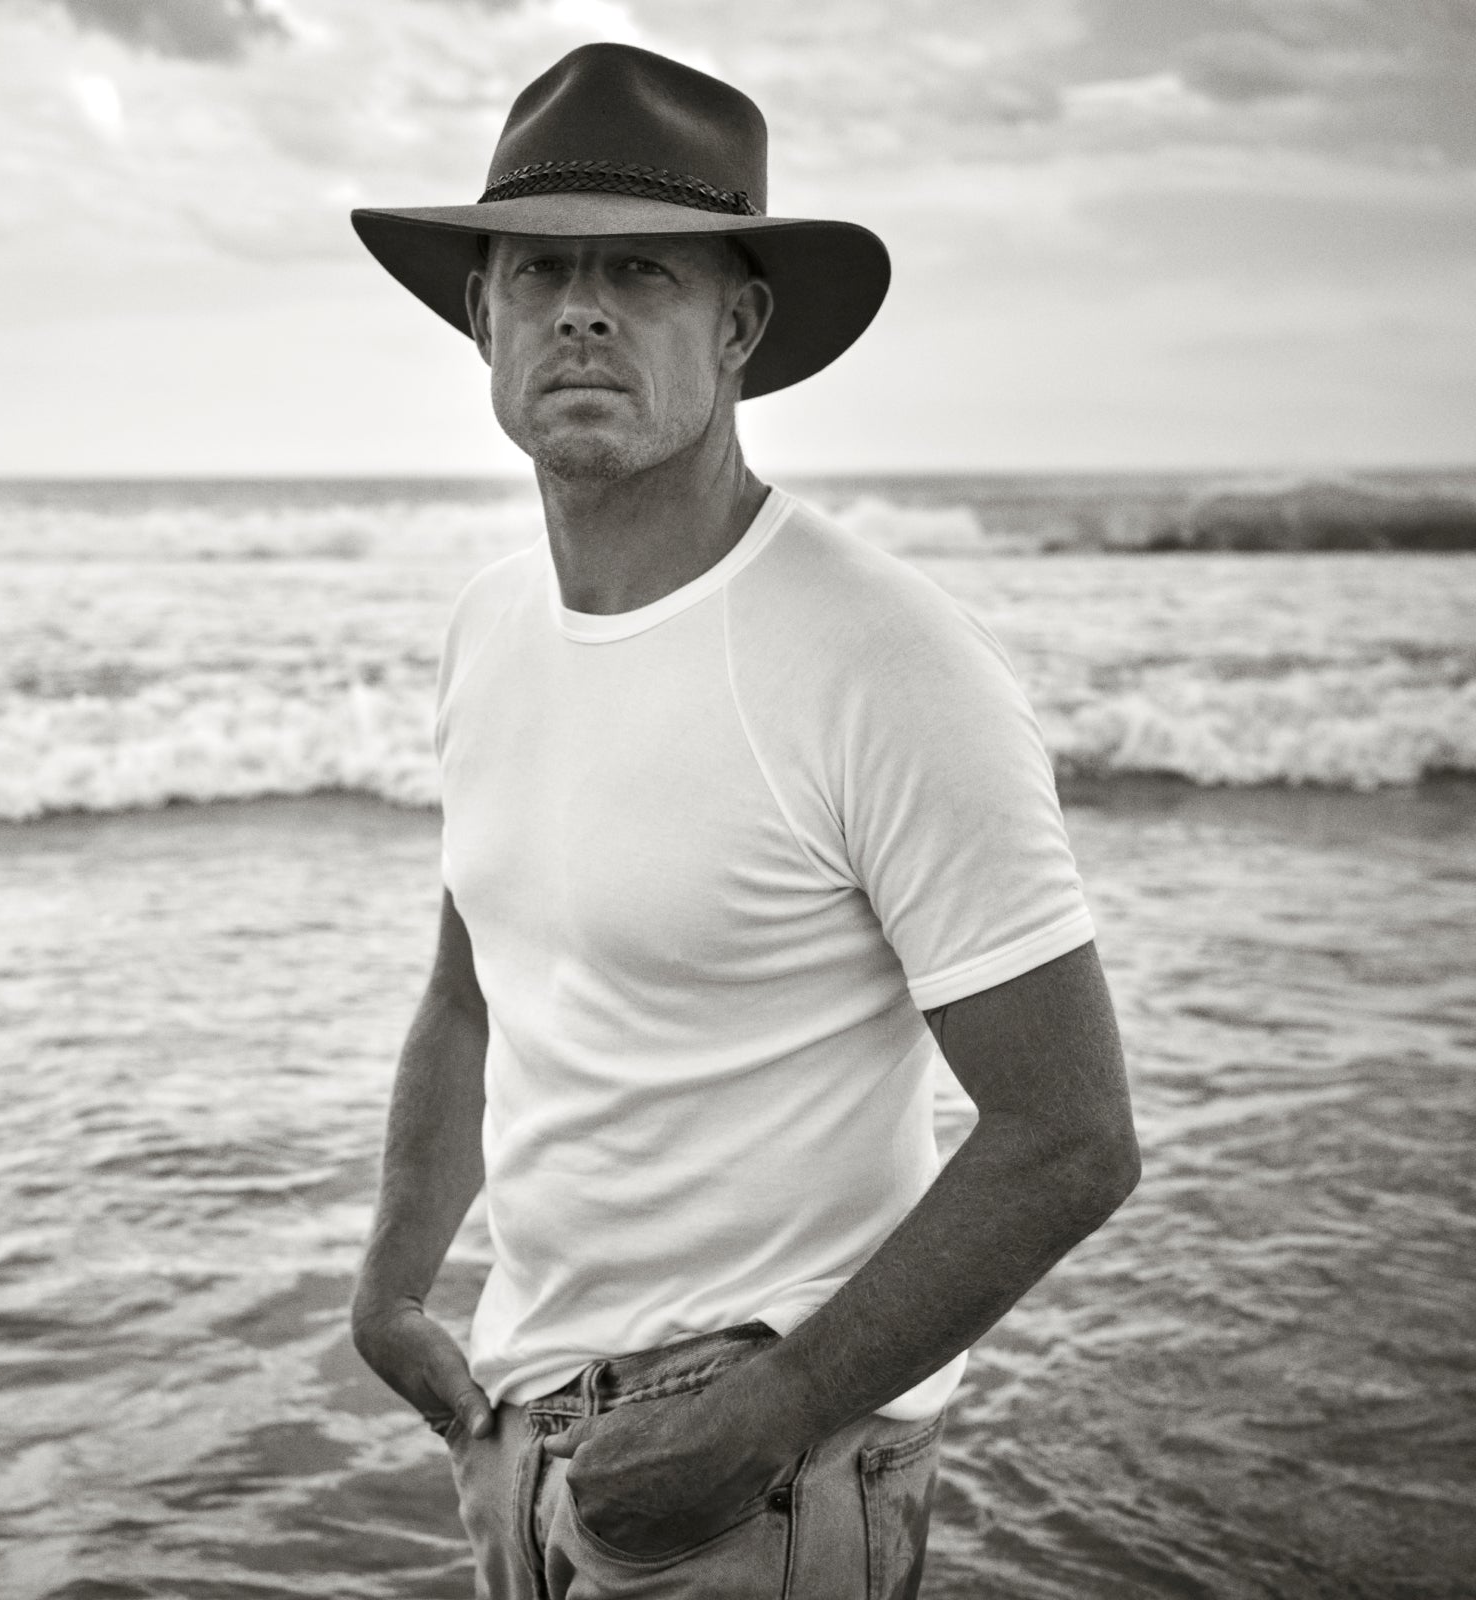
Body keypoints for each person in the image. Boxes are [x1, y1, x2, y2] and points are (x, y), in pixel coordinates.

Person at [347, 41, 1141, 1600]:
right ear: (479, 317)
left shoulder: (882, 657)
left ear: (740, 328)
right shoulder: (490, 627)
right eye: (540, 271)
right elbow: (471, 988)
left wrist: (762, 1420)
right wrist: (390, 1291)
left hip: (766, 1472)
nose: (580, 307)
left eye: (641, 271)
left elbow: (1072, 1139)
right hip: (520, 1437)